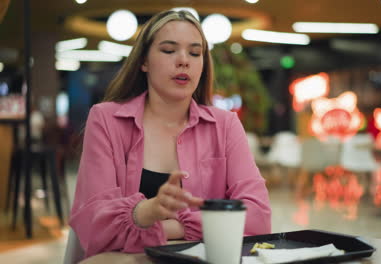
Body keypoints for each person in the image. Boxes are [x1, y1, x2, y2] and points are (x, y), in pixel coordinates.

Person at [69, 10, 271, 259]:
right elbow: (94, 223)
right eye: (168, 50)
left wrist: (172, 226)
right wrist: (146, 211)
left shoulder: (225, 124)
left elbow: (258, 215)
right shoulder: (106, 119)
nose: (184, 60)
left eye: (195, 53)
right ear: (144, 61)